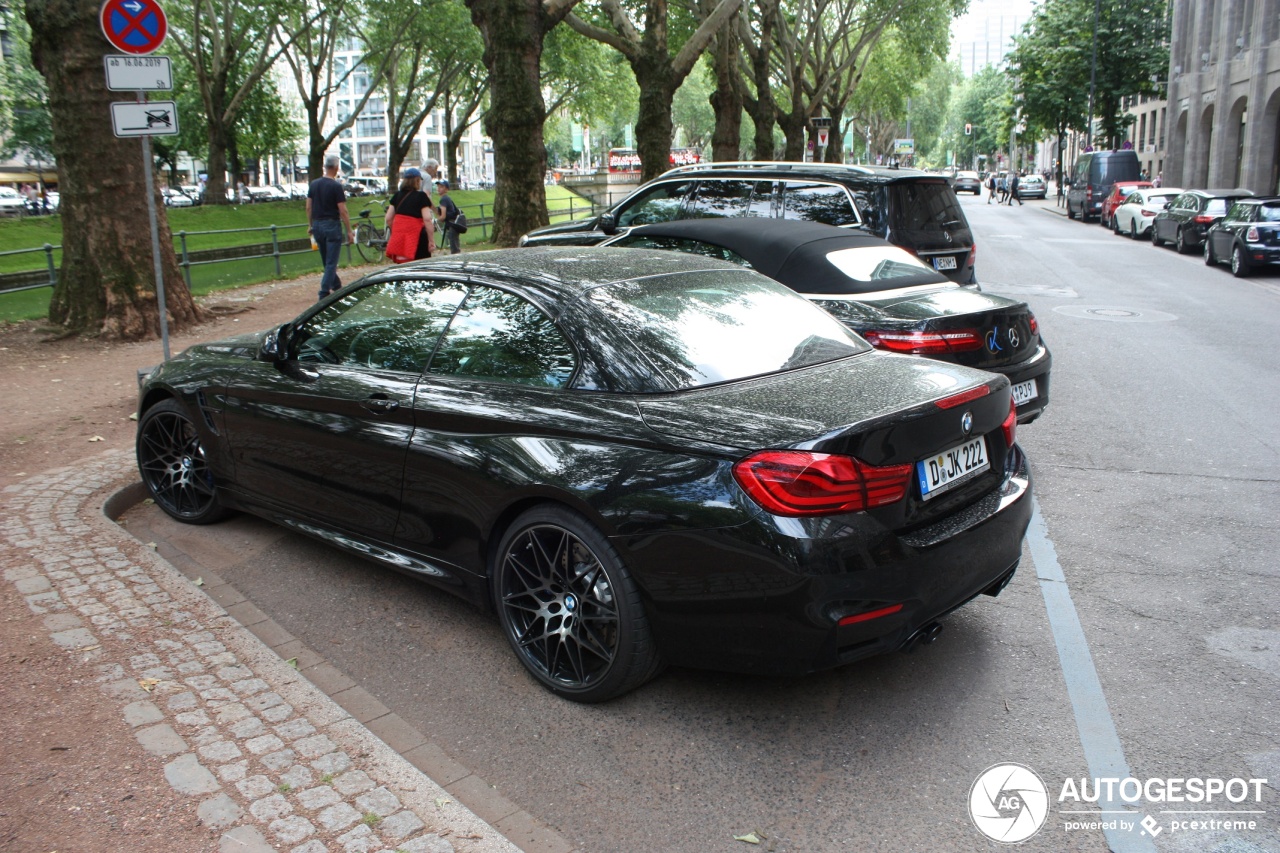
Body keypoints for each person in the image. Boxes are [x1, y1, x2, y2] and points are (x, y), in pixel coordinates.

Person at [307, 154, 354, 299]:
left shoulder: (314, 184)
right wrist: (349, 230)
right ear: (336, 167)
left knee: (326, 260)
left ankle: (337, 287)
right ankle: (324, 292)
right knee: (331, 262)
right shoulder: (336, 186)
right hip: (332, 224)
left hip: (317, 224)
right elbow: (343, 210)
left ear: (325, 166)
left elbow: (308, 207)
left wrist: (310, 225)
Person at [383, 167, 435, 263]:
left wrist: (399, 230)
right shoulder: (421, 196)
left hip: (400, 237)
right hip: (418, 237)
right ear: (417, 181)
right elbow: (427, 219)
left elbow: (389, 219)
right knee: (420, 266)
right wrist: (431, 240)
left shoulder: (397, 195)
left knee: (403, 267)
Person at [435, 179, 462, 255]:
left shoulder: (443, 200)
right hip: (454, 224)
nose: (439, 188)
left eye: (441, 187)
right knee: (455, 245)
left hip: (451, 225)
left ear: (446, 189)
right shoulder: (447, 198)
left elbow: (443, 216)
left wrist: (435, 221)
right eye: (438, 186)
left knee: (454, 248)